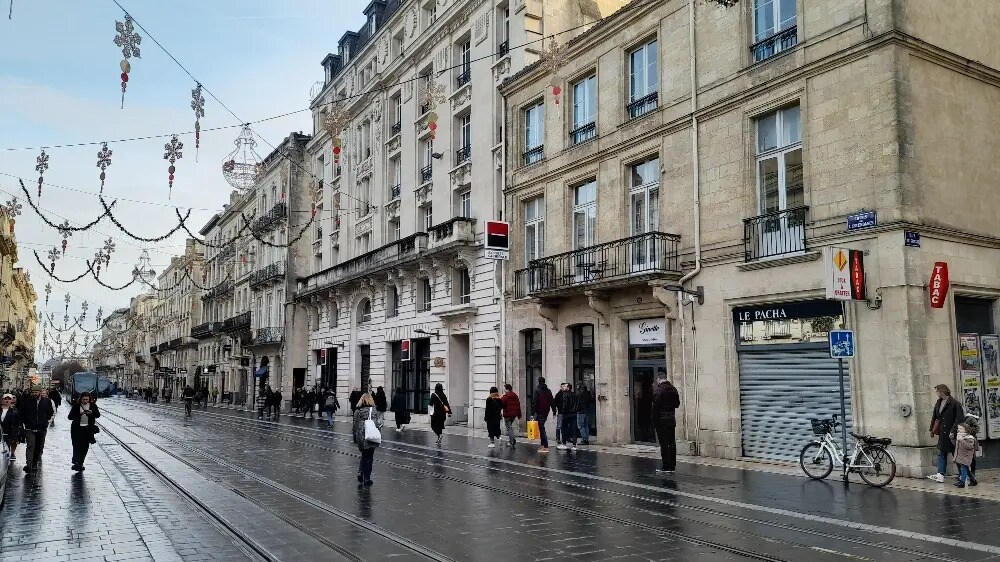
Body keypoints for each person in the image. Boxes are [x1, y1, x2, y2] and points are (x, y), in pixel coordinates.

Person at [928, 384, 963, 483]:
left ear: (942, 391)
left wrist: (953, 431)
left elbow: (960, 419)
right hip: (942, 433)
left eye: (937, 391)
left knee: (955, 454)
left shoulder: (955, 403)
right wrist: (932, 429)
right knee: (941, 452)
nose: (936, 393)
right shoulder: (938, 402)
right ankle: (940, 474)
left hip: (951, 434)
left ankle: (962, 475)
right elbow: (935, 417)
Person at [651, 370, 681, 474]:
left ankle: (666, 466)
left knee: (664, 443)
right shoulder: (673, 389)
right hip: (671, 419)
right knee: (671, 443)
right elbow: (677, 404)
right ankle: (672, 465)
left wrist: (654, 419)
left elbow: (655, 406)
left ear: (658, 379)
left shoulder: (659, 390)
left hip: (661, 420)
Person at [20, 384, 54, 473]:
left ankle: (34, 463)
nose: (34, 393)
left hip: (41, 429)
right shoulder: (28, 402)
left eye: (36, 392)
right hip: (30, 428)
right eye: (33, 392)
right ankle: (29, 465)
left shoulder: (47, 401)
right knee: (30, 445)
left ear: (40, 392)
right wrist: (25, 423)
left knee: (38, 447)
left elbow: (50, 412)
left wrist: (45, 422)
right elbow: (22, 413)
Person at [352, 392, 383, 487]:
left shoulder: (357, 411)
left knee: (364, 455)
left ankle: (360, 472)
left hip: (360, 436)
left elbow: (355, 426)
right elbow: (377, 425)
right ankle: (367, 478)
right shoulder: (373, 411)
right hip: (370, 436)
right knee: (369, 457)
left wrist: (355, 438)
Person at [68, 392, 100, 471]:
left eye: (87, 399)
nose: (85, 401)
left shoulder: (93, 406)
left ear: (89, 399)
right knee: (76, 446)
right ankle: (76, 462)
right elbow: (70, 417)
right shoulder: (76, 406)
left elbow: (97, 415)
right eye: (83, 399)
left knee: (85, 447)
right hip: (77, 430)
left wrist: (91, 412)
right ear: (81, 399)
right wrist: (80, 413)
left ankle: (80, 463)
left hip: (88, 430)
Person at [952, 422, 979, 488]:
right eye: (958, 428)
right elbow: (956, 445)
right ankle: (973, 480)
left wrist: (962, 440)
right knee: (966, 469)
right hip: (961, 455)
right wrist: (952, 438)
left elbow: (969, 446)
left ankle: (962, 482)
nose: (958, 430)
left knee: (963, 468)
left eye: (960, 429)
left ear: (966, 430)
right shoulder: (959, 436)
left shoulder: (970, 438)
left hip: (966, 456)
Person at [532, 377, 554, 453]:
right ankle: (542, 445)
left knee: (542, 429)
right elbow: (552, 401)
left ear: (538, 382)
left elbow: (535, 403)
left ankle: (545, 446)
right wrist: (554, 411)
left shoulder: (537, 390)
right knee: (541, 428)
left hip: (539, 411)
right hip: (546, 411)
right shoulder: (548, 391)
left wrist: (532, 413)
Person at [557, 383, 579, 451]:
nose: (564, 387)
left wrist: (563, 412)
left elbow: (565, 405)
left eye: (565, 386)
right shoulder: (575, 394)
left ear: (568, 388)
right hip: (574, 414)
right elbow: (578, 404)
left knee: (564, 428)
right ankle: (574, 445)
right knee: (574, 429)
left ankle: (564, 444)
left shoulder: (565, 394)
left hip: (567, 414)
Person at [1, 393, 22, 462]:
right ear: (2, 400)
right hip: (1, 433)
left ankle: (6, 464)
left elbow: (17, 423)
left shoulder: (14, 410)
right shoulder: (0, 410)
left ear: (11, 400)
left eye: (9, 399)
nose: (7, 400)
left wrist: (15, 434)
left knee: (6, 450)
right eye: (5, 399)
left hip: (9, 433)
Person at [500, 384, 522, 448]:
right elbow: (518, 405)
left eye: (504, 388)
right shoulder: (515, 395)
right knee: (510, 427)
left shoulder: (506, 396)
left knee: (509, 428)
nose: (504, 390)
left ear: (507, 389)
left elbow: (501, 404)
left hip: (507, 414)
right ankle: (511, 440)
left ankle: (512, 441)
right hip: (514, 415)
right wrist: (519, 414)